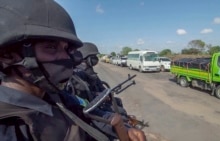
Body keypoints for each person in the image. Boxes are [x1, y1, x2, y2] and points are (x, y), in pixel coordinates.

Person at [0, 0, 146, 141]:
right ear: (8, 55)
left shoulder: (56, 97)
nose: (65, 57)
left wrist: (124, 129)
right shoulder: (8, 125)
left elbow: (89, 114)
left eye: (66, 49)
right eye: (51, 47)